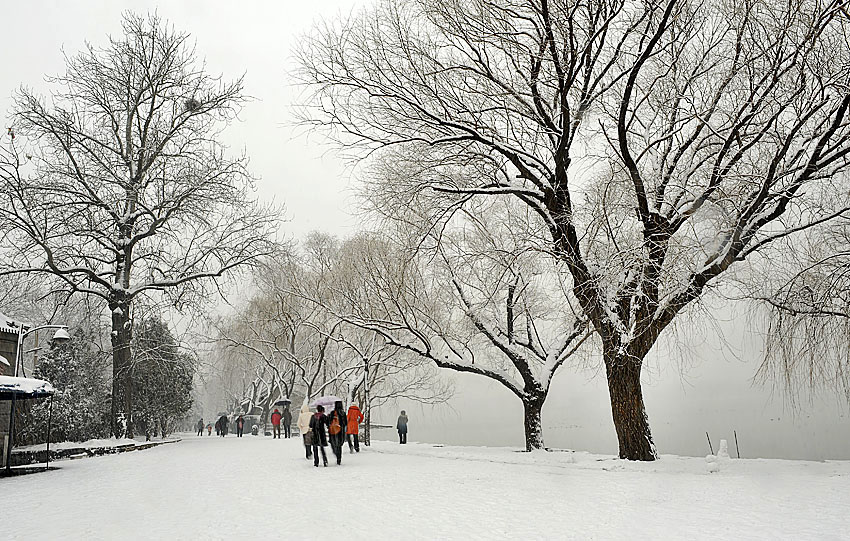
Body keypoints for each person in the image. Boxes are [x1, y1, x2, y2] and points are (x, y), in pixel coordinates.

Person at [327, 401, 347, 465]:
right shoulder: (343, 413)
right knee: (339, 445)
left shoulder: (332, 413)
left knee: (333, 443)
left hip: (333, 431)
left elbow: (328, 422)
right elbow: (345, 423)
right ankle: (339, 459)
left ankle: (335, 452)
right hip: (340, 431)